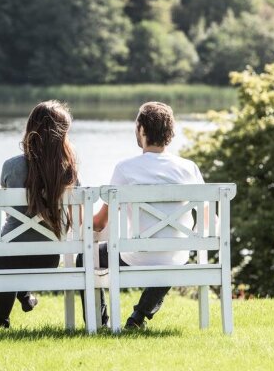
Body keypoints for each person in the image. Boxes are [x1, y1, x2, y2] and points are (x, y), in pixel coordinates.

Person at [77, 101, 206, 329]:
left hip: (135, 257)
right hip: (177, 258)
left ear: (142, 130)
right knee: (169, 257)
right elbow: (208, 220)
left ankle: (100, 322)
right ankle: (137, 318)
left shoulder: (125, 168)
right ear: (170, 132)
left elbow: (100, 222)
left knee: (85, 257)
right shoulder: (189, 168)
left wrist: (80, 223)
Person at [0, 100, 78, 328]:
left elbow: (9, 208)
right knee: (17, 259)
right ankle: (24, 296)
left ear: (31, 129)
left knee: (10, 260)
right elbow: (76, 215)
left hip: (5, 257)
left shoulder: (11, 166)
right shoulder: (68, 169)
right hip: (47, 257)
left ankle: (1, 320)